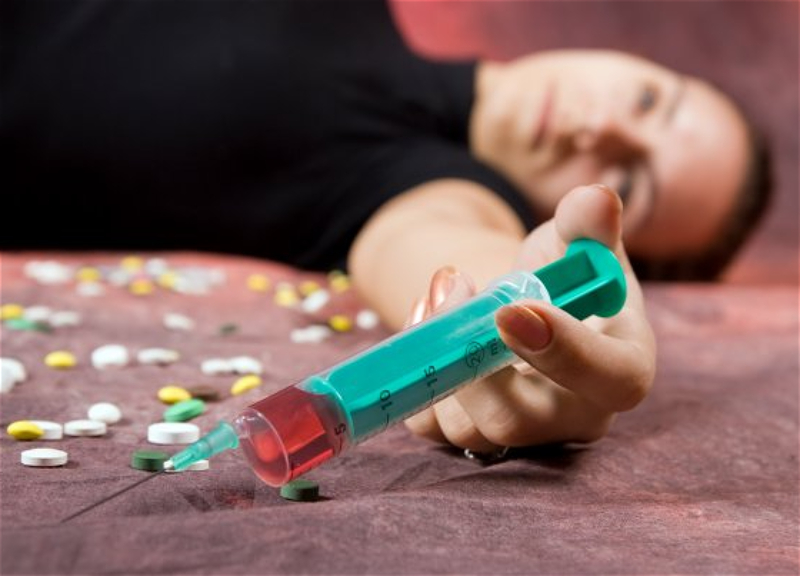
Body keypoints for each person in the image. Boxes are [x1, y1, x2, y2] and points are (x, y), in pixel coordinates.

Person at [0, 0, 771, 457]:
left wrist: (542, 330)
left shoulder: (414, 188)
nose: (598, 128)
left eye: (629, 181)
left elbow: (462, 264)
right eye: (647, 100)